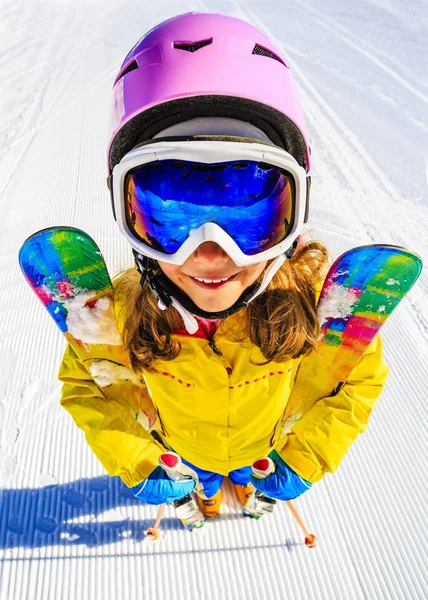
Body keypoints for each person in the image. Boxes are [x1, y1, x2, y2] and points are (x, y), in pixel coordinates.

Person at [59, 13, 388, 524]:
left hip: (262, 445)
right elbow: (88, 386)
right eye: (171, 212)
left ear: (294, 211)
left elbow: (357, 382)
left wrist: (304, 458)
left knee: (240, 473)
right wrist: (138, 460)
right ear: (126, 214)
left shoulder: (319, 311)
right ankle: (209, 496)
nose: (212, 252)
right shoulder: (115, 318)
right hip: (185, 448)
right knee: (206, 479)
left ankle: (236, 485)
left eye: (252, 213)